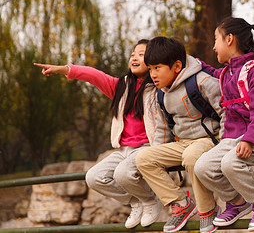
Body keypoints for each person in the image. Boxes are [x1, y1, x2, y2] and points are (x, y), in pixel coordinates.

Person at [34, 39, 162, 229]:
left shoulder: (159, 87)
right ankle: (136, 201)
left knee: (123, 173)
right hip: (123, 150)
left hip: (145, 148)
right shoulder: (121, 86)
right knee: (93, 177)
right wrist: (62, 69)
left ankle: (150, 201)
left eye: (141, 54)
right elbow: (93, 75)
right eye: (133, 54)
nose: (135, 57)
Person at [194, 17, 254, 231]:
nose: (214, 46)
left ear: (230, 39)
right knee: (202, 167)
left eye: (216, 39)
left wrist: (251, 141)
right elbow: (213, 72)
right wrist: (194, 63)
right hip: (231, 139)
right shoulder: (227, 73)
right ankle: (237, 202)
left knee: (229, 163)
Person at [135, 36, 224, 233]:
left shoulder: (202, 82)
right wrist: (160, 159)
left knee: (192, 156)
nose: (152, 74)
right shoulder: (161, 93)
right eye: (150, 69)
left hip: (209, 140)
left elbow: (226, 112)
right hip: (183, 144)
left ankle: (208, 210)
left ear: (176, 66)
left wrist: (225, 143)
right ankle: (181, 204)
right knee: (143, 158)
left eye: (157, 68)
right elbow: (163, 128)